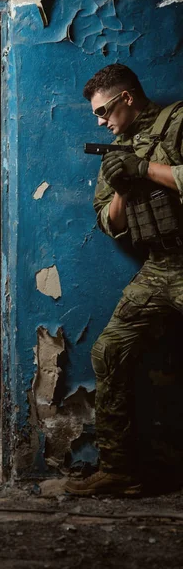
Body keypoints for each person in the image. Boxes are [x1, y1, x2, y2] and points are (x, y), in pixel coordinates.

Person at [64, 64, 183, 496]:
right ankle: (118, 469)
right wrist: (121, 185)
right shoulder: (117, 148)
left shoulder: (178, 122)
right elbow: (111, 226)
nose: (101, 121)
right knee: (109, 350)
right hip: (160, 267)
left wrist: (144, 169)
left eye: (104, 111)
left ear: (127, 98)